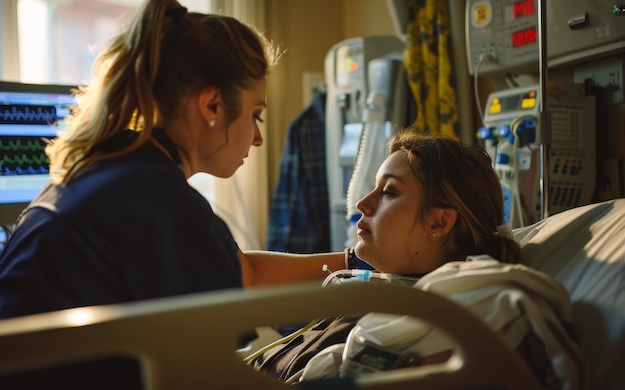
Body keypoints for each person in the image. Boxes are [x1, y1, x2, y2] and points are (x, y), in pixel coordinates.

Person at [0, 0, 346, 320]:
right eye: (255, 115)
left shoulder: (110, 168)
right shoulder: (164, 205)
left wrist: (353, 261)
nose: (257, 138)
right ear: (211, 105)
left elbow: (247, 274)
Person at [251, 126, 587, 389]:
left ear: (439, 221)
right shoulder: (374, 299)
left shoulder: (424, 326)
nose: (362, 204)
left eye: (389, 192)